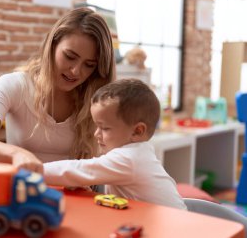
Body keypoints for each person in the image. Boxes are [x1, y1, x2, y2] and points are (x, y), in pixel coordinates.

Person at [0, 7, 115, 173]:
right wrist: (17, 154)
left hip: (74, 196)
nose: (76, 71)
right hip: (22, 191)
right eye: (70, 57)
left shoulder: (95, 99)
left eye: (89, 65)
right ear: (52, 44)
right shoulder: (14, 85)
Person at [43, 79, 187, 210]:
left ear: (137, 131)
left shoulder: (129, 158)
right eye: (96, 126)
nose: (96, 134)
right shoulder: (139, 153)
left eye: (104, 128)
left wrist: (33, 170)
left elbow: (76, 169)